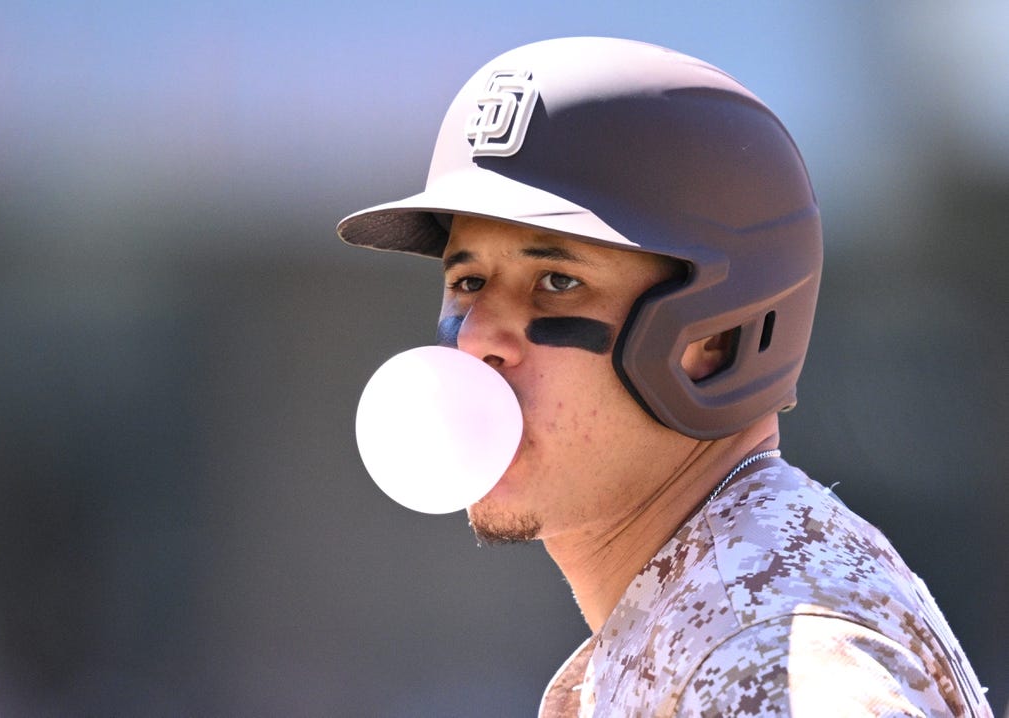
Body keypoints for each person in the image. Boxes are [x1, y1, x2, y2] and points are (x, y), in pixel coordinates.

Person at [337, 37, 994, 717]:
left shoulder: (769, 662)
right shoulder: (710, 616)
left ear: (716, 338)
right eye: (468, 281)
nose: (474, 337)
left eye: (557, 282)